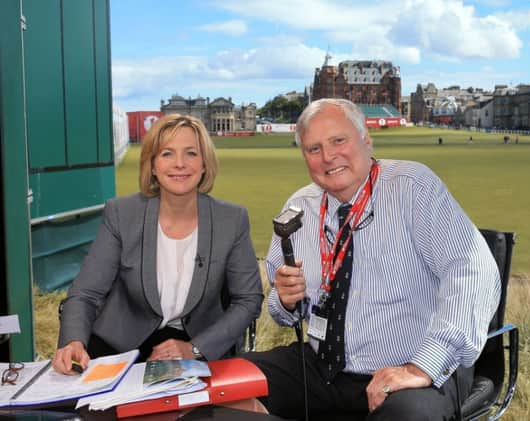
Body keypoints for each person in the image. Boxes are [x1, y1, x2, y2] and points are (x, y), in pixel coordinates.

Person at [244, 99, 501, 420]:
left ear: (367, 139)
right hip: (320, 365)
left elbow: (474, 271)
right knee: (226, 386)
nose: (328, 156)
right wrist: (286, 300)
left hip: (411, 368)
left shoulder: (412, 187)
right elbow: (282, 314)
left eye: (339, 140)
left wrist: (423, 365)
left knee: (406, 416)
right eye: (314, 148)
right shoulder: (299, 207)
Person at [54, 114, 263, 374]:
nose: (179, 164)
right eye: (166, 154)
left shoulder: (232, 219)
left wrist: (196, 348)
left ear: (205, 163)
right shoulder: (121, 213)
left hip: (195, 347)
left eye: (190, 153)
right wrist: (73, 341)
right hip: (120, 346)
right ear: (152, 165)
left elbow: (248, 299)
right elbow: (85, 293)